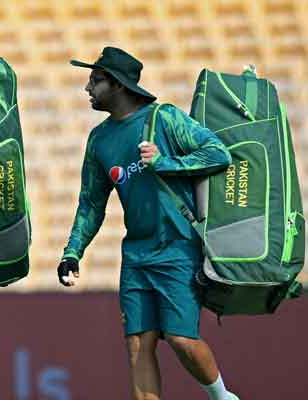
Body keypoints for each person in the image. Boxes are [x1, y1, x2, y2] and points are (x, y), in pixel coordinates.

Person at [58, 47, 239, 400]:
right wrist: (72, 253)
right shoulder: (99, 140)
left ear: (118, 85)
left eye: (95, 80)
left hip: (177, 247)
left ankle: (221, 396)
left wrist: (165, 163)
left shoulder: (165, 118)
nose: (87, 88)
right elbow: (91, 205)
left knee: (180, 339)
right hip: (136, 255)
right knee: (138, 345)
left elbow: (218, 153)